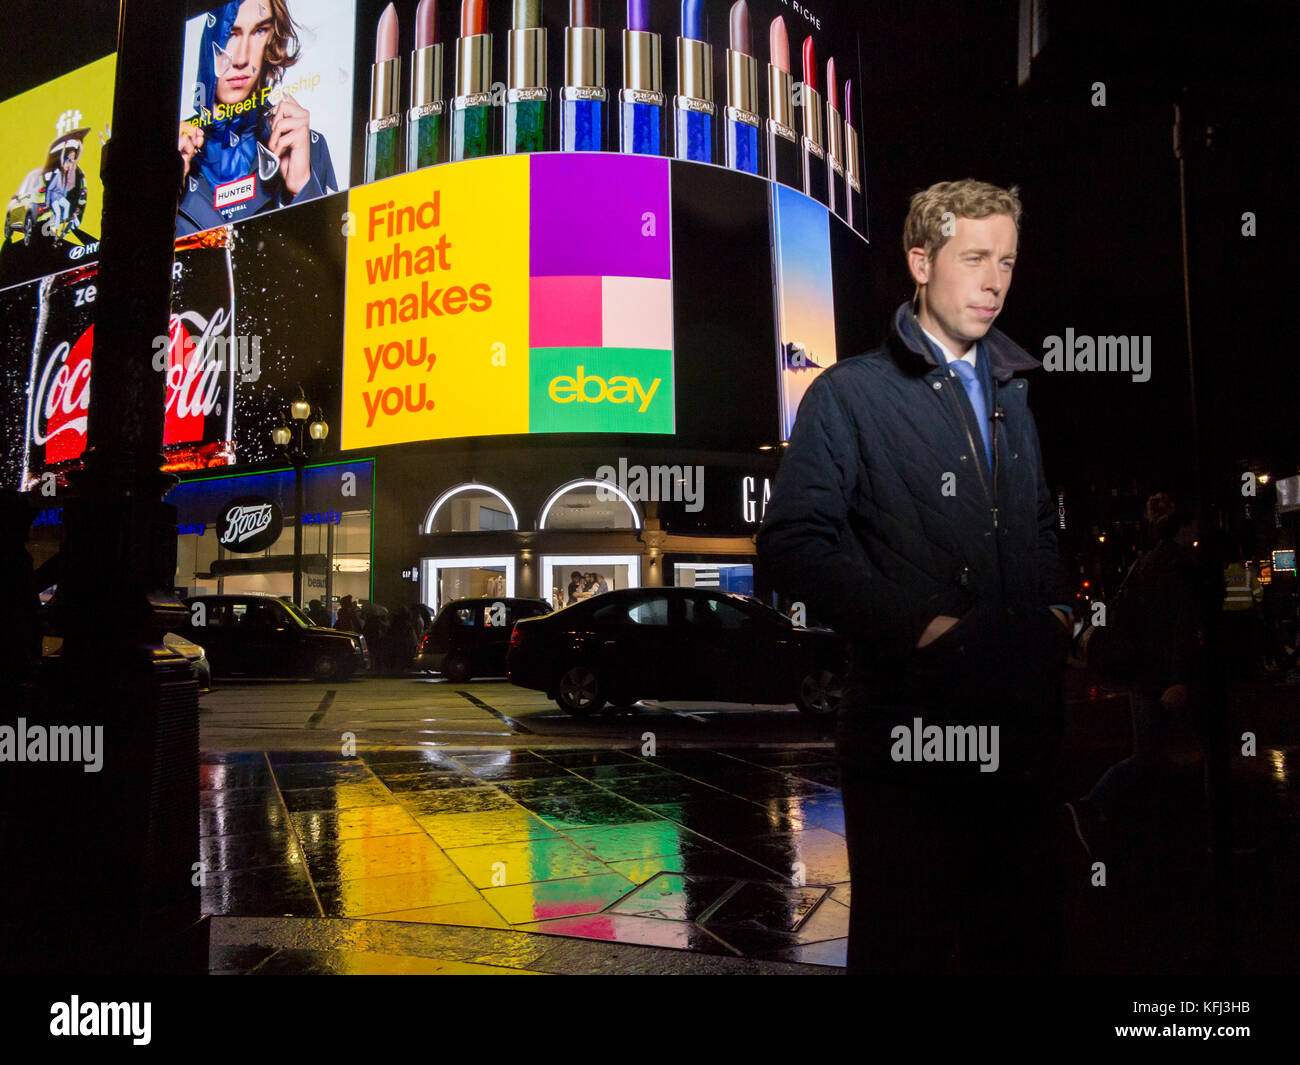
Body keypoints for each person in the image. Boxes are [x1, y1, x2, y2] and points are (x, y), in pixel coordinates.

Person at [757, 179, 1074, 974]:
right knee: (909, 947)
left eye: (1006, 260)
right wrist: (922, 628)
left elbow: (1037, 524)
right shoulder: (848, 394)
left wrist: (1058, 616)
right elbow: (793, 542)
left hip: (1020, 731)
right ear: (921, 261)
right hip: (907, 734)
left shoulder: (1015, 393)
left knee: (1020, 944)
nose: (995, 280)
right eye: (975, 258)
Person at [1076, 493, 1204, 829]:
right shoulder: (1179, 568)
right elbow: (1178, 629)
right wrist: (1178, 678)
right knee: (1156, 753)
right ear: (1184, 528)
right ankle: (1095, 803)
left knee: (1154, 752)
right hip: (1160, 674)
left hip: (1141, 672)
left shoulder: (1146, 564)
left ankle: (1148, 816)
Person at [176, 0, 337, 237]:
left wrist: (302, 189)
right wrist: (158, 199)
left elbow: (332, 268)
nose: (241, 59)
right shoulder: (172, 153)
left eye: (259, 31)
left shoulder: (308, 147)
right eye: (230, 33)